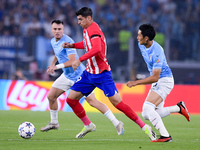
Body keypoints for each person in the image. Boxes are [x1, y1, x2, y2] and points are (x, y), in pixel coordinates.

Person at [62, 7, 156, 141]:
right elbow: (87, 44)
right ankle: (88, 125)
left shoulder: (93, 29)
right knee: (71, 99)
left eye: (81, 19)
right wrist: (72, 46)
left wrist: (79, 59)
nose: (78, 22)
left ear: (89, 18)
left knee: (118, 104)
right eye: (78, 19)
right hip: (89, 74)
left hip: (102, 74)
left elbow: (96, 48)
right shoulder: (86, 30)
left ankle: (145, 127)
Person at [40, 19, 125, 137]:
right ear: (51, 30)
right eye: (55, 29)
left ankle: (117, 123)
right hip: (66, 75)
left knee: (93, 102)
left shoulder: (68, 41)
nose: (57, 31)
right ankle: (54, 123)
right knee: (51, 97)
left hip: (79, 76)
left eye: (59, 29)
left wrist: (57, 67)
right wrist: (53, 63)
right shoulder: (53, 41)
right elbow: (57, 53)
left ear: (63, 30)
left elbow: (72, 61)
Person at [126, 24, 190, 142]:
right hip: (158, 81)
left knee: (147, 107)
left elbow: (155, 77)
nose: (137, 37)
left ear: (146, 38)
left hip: (164, 80)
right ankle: (178, 108)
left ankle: (165, 136)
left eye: (139, 35)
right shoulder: (141, 45)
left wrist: (136, 82)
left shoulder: (157, 51)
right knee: (147, 114)